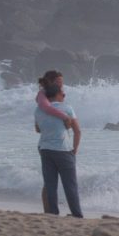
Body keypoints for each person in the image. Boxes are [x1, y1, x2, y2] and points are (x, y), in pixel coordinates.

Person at [34, 81, 83, 218]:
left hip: (45, 149)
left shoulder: (38, 110)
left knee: (50, 184)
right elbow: (78, 131)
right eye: (63, 94)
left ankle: (53, 213)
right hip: (63, 150)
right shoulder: (67, 108)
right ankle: (76, 214)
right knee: (70, 185)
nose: (64, 96)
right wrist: (75, 149)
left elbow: (38, 129)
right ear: (56, 95)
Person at [36, 70, 73, 212]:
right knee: (49, 182)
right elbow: (45, 110)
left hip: (58, 144)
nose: (61, 85)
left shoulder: (55, 97)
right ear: (50, 82)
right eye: (58, 82)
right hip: (47, 145)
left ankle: (51, 210)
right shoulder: (42, 95)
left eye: (62, 82)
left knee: (52, 181)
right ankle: (49, 210)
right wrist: (64, 117)